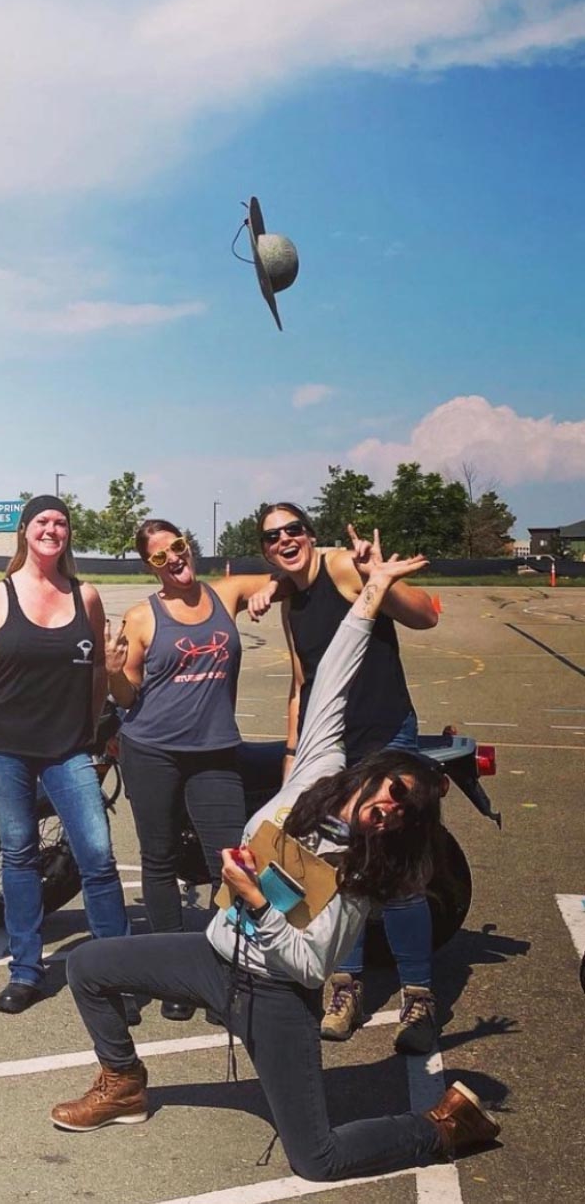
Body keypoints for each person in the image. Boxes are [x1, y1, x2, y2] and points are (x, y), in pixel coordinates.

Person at [50, 538, 501, 1180]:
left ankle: (442, 1125)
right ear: (376, 775)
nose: (393, 810)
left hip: (275, 993)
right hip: (213, 957)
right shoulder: (316, 774)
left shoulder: (361, 870)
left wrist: (259, 901)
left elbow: (307, 962)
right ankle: (123, 1084)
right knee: (89, 965)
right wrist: (370, 594)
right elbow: (334, 680)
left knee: (316, 1158)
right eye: (394, 792)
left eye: (407, 814)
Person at [260, 504, 441, 1053]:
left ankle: (418, 995)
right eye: (273, 536)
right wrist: (293, 763)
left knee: (397, 869)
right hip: (335, 752)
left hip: (386, 736)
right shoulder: (289, 604)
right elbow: (301, 684)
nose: (286, 539)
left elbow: (425, 615)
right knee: (338, 865)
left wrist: (376, 579)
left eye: (295, 529)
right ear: (266, 550)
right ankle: (346, 986)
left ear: (310, 535)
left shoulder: (343, 567)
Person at [104, 518, 286, 1021]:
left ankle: (220, 967)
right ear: (150, 565)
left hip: (214, 751)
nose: (174, 560)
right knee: (158, 860)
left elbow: (286, 574)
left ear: (189, 545)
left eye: (178, 547)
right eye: (160, 557)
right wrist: (114, 672)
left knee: (228, 862)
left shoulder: (225, 593)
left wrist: (268, 593)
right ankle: (174, 979)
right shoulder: (142, 617)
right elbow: (127, 696)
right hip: (151, 750)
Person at [0, 495, 130, 1015]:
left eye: (60, 522)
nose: (52, 529)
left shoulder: (87, 597)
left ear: (68, 533)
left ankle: (115, 971)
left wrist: (91, 725)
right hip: (4, 746)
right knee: (19, 852)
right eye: (42, 521)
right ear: (25, 531)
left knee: (97, 854)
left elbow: (99, 671)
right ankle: (27, 969)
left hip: (67, 749)